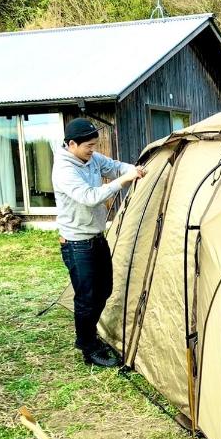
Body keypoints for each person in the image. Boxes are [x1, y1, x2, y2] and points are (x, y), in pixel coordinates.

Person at [52, 118, 146, 367]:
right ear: (72, 144)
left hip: (96, 237)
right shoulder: (64, 170)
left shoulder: (89, 158)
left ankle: (90, 336)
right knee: (86, 297)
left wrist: (134, 170)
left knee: (104, 290)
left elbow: (114, 166)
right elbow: (89, 197)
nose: (93, 150)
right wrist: (123, 182)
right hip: (77, 244)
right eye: (89, 146)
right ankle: (87, 347)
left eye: (94, 145)